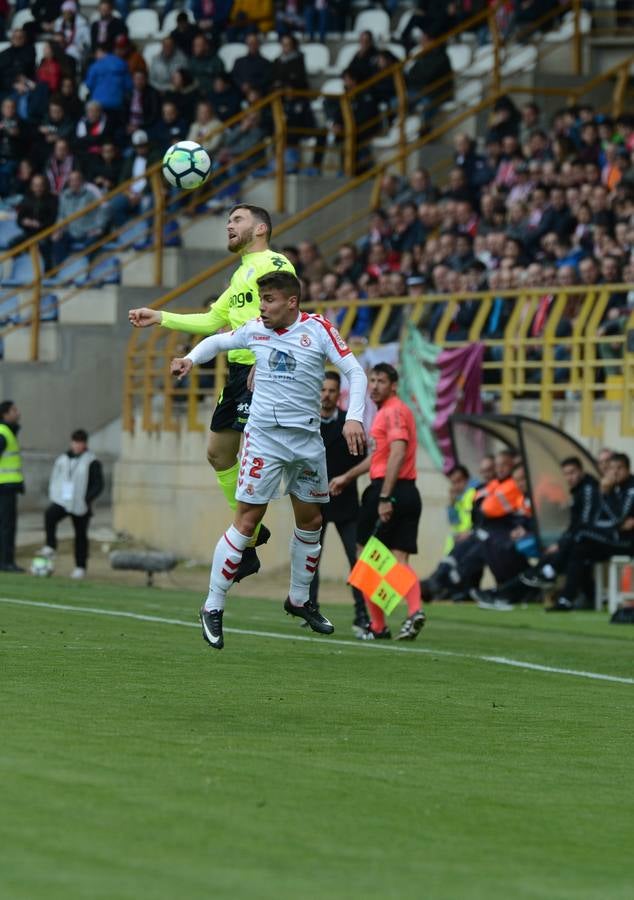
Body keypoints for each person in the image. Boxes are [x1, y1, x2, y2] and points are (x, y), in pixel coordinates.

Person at [169, 270, 368, 650]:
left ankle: (298, 599)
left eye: (270, 300)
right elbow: (217, 341)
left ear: (292, 302)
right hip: (265, 443)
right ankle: (213, 604)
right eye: (262, 300)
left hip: (308, 442)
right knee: (247, 520)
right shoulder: (255, 329)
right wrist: (190, 359)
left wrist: (354, 416)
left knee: (311, 520)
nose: (263, 307)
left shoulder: (319, 329)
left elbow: (354, 372)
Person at [128, 205, 296, 582]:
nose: (229, 225)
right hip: (237, 372)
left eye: (237, 220)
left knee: (262, 460)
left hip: (263, 372)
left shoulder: (276, 263)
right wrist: (160, 316)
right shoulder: (239, 276)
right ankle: (251, 539)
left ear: (260, 229)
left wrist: (267, 357)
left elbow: (288, 313)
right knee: (218, 453)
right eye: (228, 220)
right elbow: (211, 321)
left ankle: (248, 540)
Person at [329, 363, 426, 641]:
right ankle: (413, 610)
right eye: (371, 380)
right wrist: (347, 477)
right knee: (398, 557)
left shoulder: (392, 411)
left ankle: (379, 624)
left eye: (381, 381)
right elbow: (381, 456)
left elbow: (396, 453)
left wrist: (384, 495)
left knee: (365, 556)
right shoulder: (393, 411)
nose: (373, 386)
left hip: (387, 489)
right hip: (408, 490)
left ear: (393, 385)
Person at [307, 372, 370, 635]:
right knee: (310, 560)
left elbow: (363, 459)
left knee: (356, 560)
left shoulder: (350, 424)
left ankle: (362, 613)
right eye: (323, 390)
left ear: (338, 394)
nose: (327, 395)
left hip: (346, 504)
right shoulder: (306, 421)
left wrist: (344, 479)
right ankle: (309, 608)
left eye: (332, 390)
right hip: (313, 504)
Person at [40, 429, 104, 579]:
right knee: (50, 515)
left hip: (81, 504)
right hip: (64, 500)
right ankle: (50, 545)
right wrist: (56, 495)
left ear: (85, 444)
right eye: (75, 442)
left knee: (80, 535)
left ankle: (80, 567)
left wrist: (87, 499)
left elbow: (98, 484)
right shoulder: (63, 459)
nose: (77, 445)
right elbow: (56, 478)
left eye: (80, 442)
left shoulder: (92, 461)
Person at [0, 401, 25, 573]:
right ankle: (6, 562)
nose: (18, 412)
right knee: (7, 526)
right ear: (5, 414)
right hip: (4, 487)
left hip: (8, 486)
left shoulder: (9, 432)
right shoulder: (3, 433)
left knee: (6, 525)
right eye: (14, 410)